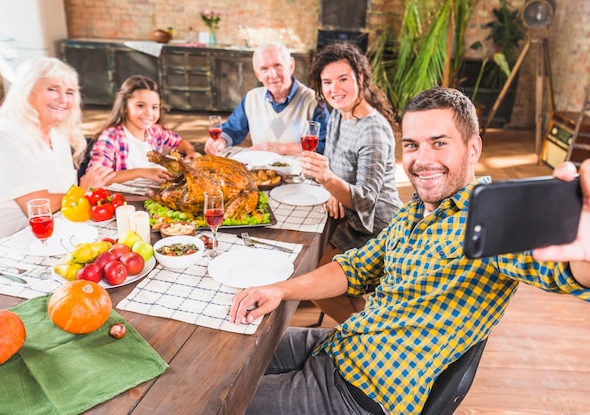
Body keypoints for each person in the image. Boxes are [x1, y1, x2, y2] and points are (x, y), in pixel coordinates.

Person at [228, 87, 590, 415]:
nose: (422, 159)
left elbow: (572, 273)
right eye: (413, 145)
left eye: (440, 143)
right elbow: (355, 268)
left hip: (358, 394)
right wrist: (280, 290)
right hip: (341, 345)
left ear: (473, 147)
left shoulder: (497, 223)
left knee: (217, 400)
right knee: (234, 346)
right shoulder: (415, 209)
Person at [0, 57, 114, 256]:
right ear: (26, 91)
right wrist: (83, 191)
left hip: (28, 243)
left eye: (70, 92)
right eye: (53, 89)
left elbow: (63, 199)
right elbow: (37, 206)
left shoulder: (57, 135)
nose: (63, 99)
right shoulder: (3, 136)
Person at [301, 42, 403, 323]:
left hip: (379, 228)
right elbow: (335, 165)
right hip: (353, 221)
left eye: (343, 79)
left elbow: (368, 199)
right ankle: (365, 322)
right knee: (313, 261)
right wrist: (332, 187)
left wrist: (328, 180)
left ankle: (366, 339)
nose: (335, 89)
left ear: (360, 78)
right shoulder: (337, 114)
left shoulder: (373, 130)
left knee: (317, 285)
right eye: (327, 82)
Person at [204, 41, 329, 156]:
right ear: (257, 74)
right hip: (261, 174)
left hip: (298, 176)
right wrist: (220, 141)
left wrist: (277, 148)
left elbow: (325, 146)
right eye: (264, 69)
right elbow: (232, 130)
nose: (272, 75)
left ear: (291, 66)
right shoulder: (251, 98)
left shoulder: (314, 101)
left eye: (278, 65)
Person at [87, 75, 200, 185]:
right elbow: (94, 178)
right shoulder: (111, 136)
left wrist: (190, 151)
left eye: (154, 107)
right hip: (123, 200)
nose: (149, 113)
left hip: (151, 194)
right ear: (125, 107)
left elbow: (179, 141)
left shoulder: (155, 131)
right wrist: (141, 172)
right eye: (140, 106)